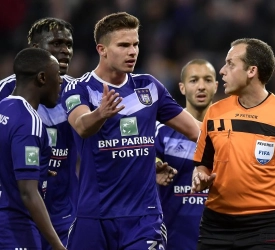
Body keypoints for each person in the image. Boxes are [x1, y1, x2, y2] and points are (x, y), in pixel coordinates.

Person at [61, 12, 199, 250]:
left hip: (143, 218)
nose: (133, 51)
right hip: (94, 215)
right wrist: (100, 114)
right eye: (123, 45)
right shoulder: (79, 88)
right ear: (102, 49)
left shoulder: (149, 87)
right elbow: (82, 126)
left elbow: (195, 130)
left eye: (135, 44)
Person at [192, 38, 275, 250]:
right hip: (216, 226)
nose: (222, 71)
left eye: (231, 64)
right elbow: (203, 163)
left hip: (268, 226)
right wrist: (199, 176)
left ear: (252, 71)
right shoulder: (215, 113)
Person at [0, 17, 80, 249]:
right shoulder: (6, 94)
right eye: (56, 43)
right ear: (35, 50)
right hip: (18, 209)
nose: (65, 50)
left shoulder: (79, 93)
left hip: (61, 213)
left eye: (69, 44)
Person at [155, 59, 218, 250]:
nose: (201, 86)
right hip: (173, 236)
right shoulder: (162, 130)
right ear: (182, 87)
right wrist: (155, 165)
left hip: (219, 235)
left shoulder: (229, 130)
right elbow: (147, 159)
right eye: (193, 80)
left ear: (216, 86)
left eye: (207, 80)